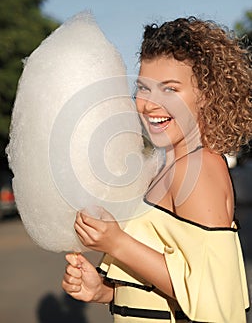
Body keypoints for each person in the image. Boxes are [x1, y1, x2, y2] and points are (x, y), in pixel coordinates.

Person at [62, 17, 252, 322]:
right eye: (143, 88)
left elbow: (213, 295)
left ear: (207, 95)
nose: (150, 104)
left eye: (170, 89)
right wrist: (105, 290)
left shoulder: (198, 168)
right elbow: (173, 283)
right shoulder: (170, 165)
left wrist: (117, 243)